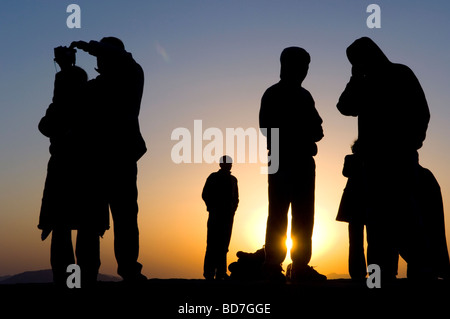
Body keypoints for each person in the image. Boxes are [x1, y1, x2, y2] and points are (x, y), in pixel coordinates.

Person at [337, 37, 433, 280]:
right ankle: (380, 280)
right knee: (378, 230)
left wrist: (412, 143)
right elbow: (345, 106)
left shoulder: (400, 74)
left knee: (406, 221)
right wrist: (355, 78)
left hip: (399, 162)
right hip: (373, 166)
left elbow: (422, 112)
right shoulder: (365, 82)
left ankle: (421, 275)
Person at [70, 37, 147, 282]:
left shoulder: (131, 75)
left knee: (122, 217)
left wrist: (89, 46)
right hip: (99, 160)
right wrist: (68, 69)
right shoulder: (94, 87)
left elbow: (123, 58)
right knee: (94, 219)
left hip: (118, 158)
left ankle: (126, 269)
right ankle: (90, 271)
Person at [38, 46, 109, 287]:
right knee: (73, 230)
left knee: (68, 229)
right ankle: (81, 281)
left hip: (73, 173)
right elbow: (45, 125)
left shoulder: (75, 105)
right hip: (83, 174)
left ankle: (75, 281)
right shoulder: (87, 103)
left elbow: (46, 125)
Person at [259, 47, 326, 282]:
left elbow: (318, 130)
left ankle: (298, 265)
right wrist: (300, 133)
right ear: (287, 65)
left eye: (306, 67)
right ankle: (273, 264)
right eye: (301, 66)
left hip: (299, 161)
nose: (304, 71)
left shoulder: (304, 96)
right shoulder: (276, 94)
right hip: (283, 158)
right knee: (279, 212)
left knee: (303, 214)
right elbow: (267, 127)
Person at [202, 155, 239, 280]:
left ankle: (221, 273)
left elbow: (236, 198)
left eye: (230, 163)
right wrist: (212, 207)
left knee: (224, 245)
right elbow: (205, 194)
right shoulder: (213, 177)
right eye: (226, 163)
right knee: (212, 244)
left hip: (228, 217)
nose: (229, 165)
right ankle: (209, 273)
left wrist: (232, 210)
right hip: (215, 215)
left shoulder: (234, 180)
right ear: (221, 164)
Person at [336, 140, 367, 280]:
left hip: (358, 200)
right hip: (356, 200)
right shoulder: (351, 158)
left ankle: (359, 272)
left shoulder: (351, 158)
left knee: (356, 239)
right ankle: (357, 273)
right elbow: (345, 172)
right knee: (355, 240)